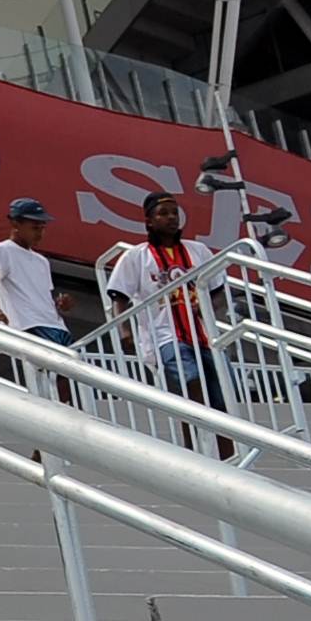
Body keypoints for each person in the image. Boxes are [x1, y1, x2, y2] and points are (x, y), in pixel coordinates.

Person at [99, 185, 223, 437]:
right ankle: (198, 439)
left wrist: (206, 307)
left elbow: (218, 288)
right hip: (164, 336)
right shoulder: (136, 256)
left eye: (175, 213)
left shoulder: (198, 251)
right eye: (164, 213)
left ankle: (222, 455)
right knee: (191, 380)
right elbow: (119, 296)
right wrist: (124, 331)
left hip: (204, 337)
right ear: (149, 221)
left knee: (222, 402)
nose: (171, 218)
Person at [0, 195, 69, 354]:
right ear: (15, 223)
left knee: (74, 375)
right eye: (35, 228)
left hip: (58, 326)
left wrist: (61, 304)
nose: (40, 233)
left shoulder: (42, 261)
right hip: (29, 325)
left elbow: (42, 298)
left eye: (42, 228)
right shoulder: (2, 250)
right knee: (63, 374)